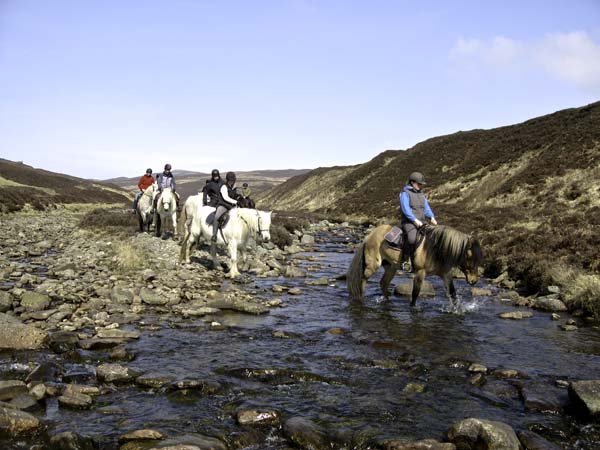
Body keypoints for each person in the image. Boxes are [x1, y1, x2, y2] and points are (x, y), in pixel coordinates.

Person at [399, 171, 438, 270]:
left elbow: (426, 208)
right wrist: (414, 220)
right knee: (412, 239)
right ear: (412, 182)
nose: (421, 186)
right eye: (419, 184)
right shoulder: (405, 194)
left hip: (422, 221)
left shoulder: (421, 194)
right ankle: (405, 260)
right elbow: (405, 209)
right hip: (409, 222)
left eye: (421, 184)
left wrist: (432, 217)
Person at [212, 171, 238, 242]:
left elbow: (234, 195)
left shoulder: (234, 187)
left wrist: (239, 198)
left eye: (232, 180)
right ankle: (214, 235)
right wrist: (235, 202)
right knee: (217, 216)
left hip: (231, 206)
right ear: (227, 180)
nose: (231, 182)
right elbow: (225, 197)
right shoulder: (224, 187)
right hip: (223, 205)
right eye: (230, 180)